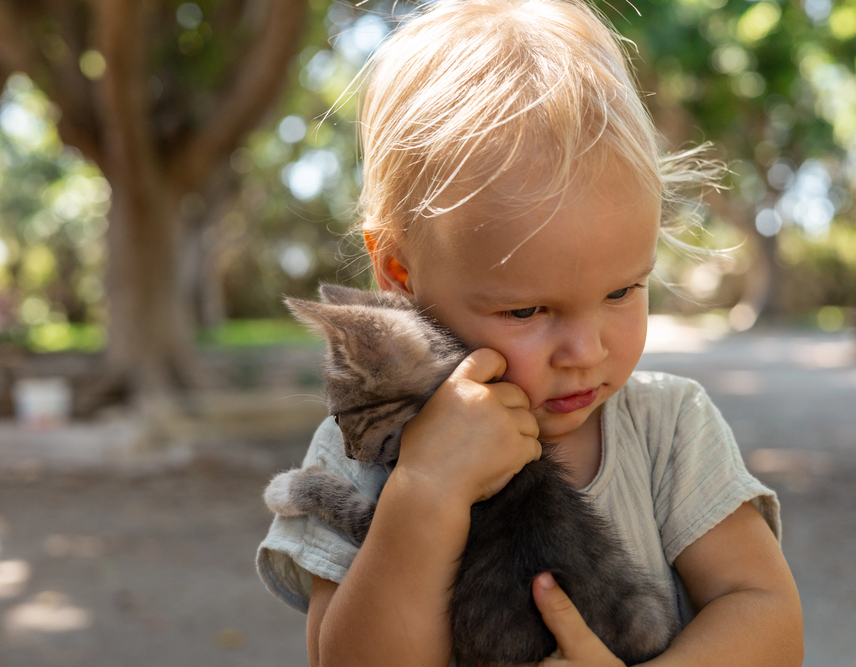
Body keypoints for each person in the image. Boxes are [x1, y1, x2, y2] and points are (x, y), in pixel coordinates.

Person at [257, 0, 803, 665]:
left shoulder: (669, 430)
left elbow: (766, 612)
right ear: (399, 274)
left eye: (622, 291)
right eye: (527, 311)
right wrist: (425, 491)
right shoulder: (360, 458)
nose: (588, 351)